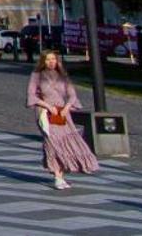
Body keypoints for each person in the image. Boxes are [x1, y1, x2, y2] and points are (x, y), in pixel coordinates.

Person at [27, 50, 99, 190]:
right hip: (46, 113)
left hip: (62, 114)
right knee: (52, 143)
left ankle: (62, 174)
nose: (51, 62)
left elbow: (72, 95)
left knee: (65, 143)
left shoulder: (63, 76)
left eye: (53, 59)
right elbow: (31, 95)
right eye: (48, 59)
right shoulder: (36, 75)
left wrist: (67, 107)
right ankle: (57, 177)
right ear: (43, 61)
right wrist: (48, 106)